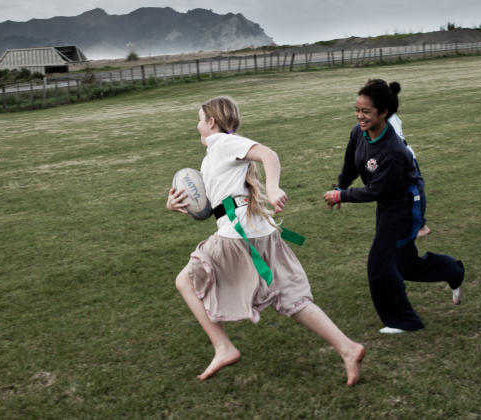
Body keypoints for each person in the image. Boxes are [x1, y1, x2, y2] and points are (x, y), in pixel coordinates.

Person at [167, 96, 365, 385]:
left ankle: (223, 347)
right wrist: (176, 205)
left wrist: (272, 188)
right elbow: (213, 205)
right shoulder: (215, 155)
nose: (197, 126)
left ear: (211, 122)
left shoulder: (222, 143)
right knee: (291, 298)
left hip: (238, 236)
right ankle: (348, 348)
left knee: (185, 281)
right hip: (260, 232)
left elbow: (269, 154)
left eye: (199, 120)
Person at [323, 80, 465, 334]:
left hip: (406, 204)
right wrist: (339, 186)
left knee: (379, 263)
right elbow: (350, 166)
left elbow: (377, 190)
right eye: (357, 110)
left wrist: (341, 196)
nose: (360, 116)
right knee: (403, 263)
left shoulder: (394, 150)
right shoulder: (359, 132)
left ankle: (403, 320)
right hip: (389, 202)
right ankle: (453, 270)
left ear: (384, 112)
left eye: (366, 111)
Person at [386, 81, 430, 237]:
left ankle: (420, 227)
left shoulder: (387, 115)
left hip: (404, 158)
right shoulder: (388, 114)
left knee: (415, 190)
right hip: (396, 159)